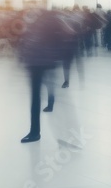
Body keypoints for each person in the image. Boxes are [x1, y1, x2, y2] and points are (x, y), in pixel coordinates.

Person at [17, 8, 73, 143]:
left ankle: (37, 132)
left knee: (37, 98)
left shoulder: (49, 19)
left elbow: (66, 38)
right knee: (39, 97)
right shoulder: (39, 19)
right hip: (38, 62)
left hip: (40, 62)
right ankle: (39, 131)